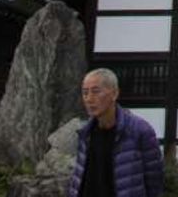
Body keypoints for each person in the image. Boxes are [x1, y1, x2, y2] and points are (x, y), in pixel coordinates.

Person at [68, 68, 163, 197]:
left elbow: (154, 182)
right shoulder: (85, 133)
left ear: (114, 94)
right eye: (85, 93)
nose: (89, 99)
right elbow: (78, 178)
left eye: (96, 92)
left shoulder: (140, 131)